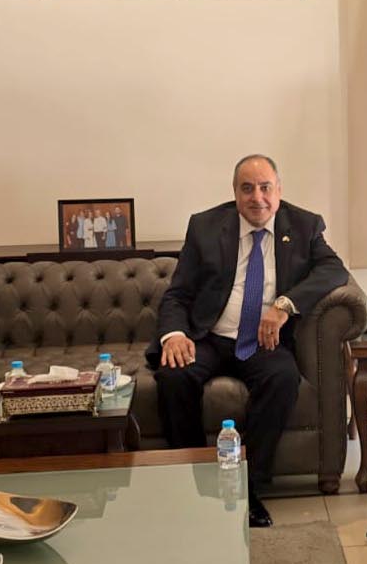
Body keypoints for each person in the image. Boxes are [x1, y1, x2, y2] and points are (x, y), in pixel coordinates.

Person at [147, 155, 348, 527]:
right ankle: (194, 482)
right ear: (235, 193)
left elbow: (335, 270)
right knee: (174, 375)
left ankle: (247, 488)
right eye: (247, 188)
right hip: (209, 336)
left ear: (279, 190)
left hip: (263, 342)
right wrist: (174, 335)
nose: (258, 198)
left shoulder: (304, 225)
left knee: (283, 379)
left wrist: (284, 305)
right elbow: (178, 293)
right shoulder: (205, 227)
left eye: (265, 187)